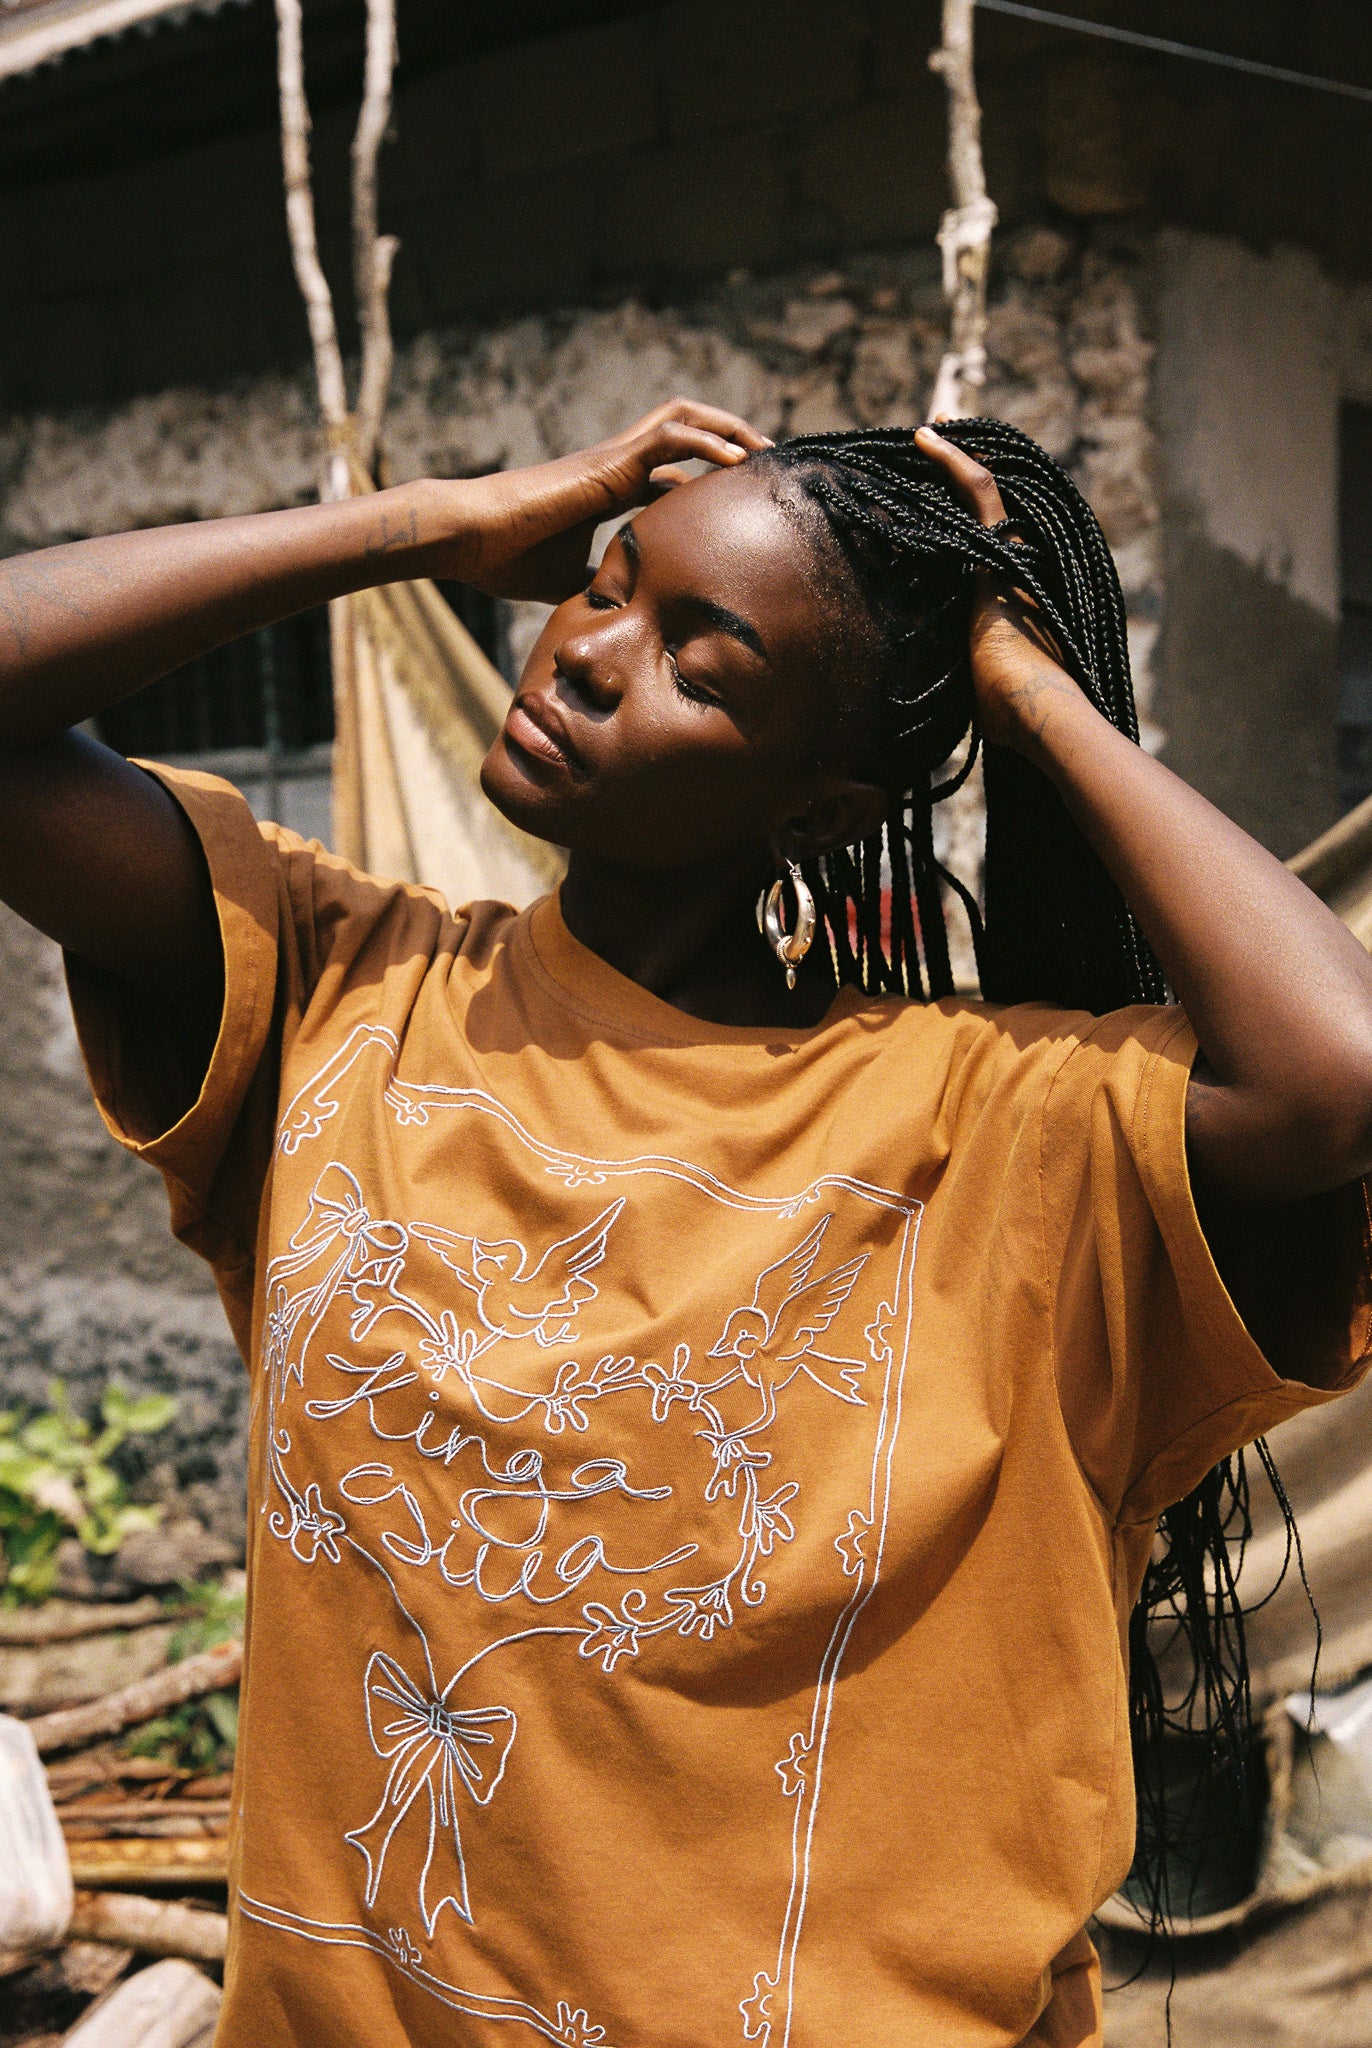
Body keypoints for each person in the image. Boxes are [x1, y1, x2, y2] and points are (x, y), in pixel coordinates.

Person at [1, 398, 1370, 2048]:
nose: (589, 655)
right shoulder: (336, 988)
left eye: (698, 665)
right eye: (606, 585)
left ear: (819, 810)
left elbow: (1335, 1072)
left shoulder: (1004, 1130)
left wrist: (1025, 688)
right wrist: (420, 526)